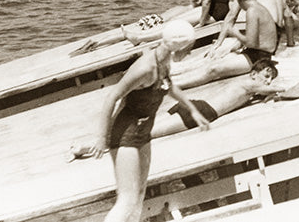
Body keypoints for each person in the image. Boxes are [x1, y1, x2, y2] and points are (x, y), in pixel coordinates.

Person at [83, 21, 210, 222]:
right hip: (125, 133)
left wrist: (193, 110)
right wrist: (101, 138)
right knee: (126, 200)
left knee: (140, 195)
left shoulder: (164, 59)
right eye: (189, 48)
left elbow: (169, 87)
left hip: (143, 131)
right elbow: (112, 97)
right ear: (179, 46)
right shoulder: (145, 68)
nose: (190, 53)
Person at [70, 61, 295, 160]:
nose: (267, 81)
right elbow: (280, 88)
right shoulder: (249, 83)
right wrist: (280, 86)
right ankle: (89, 146)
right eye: (266, 76)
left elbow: (268, 91)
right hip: (202, 111)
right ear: (254, 74)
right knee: (144, 134)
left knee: (142, 129)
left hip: (195, 105)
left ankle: (91, 142)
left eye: (269, 78)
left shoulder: (247, 84)